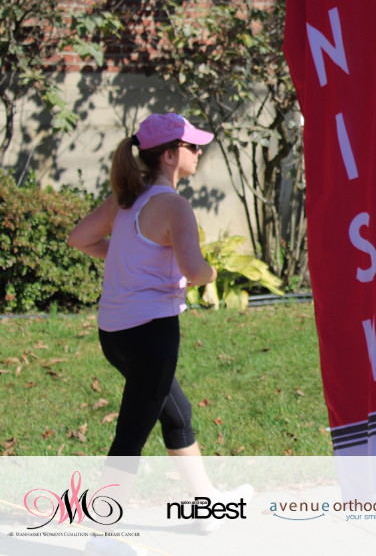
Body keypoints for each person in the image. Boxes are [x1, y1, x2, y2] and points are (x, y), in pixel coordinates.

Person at [69, 113, 229, 554]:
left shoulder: (127, 197)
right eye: (193, 146)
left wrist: (126, 258)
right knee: (130, 435)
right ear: (171, 155)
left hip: (115, 335)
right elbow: (194, 270)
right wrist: (212, 273)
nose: (199, 152)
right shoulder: (174, 206)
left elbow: (79, 238)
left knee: (177, 414)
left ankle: (207, 507)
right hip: (152, 336)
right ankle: (102, 536)